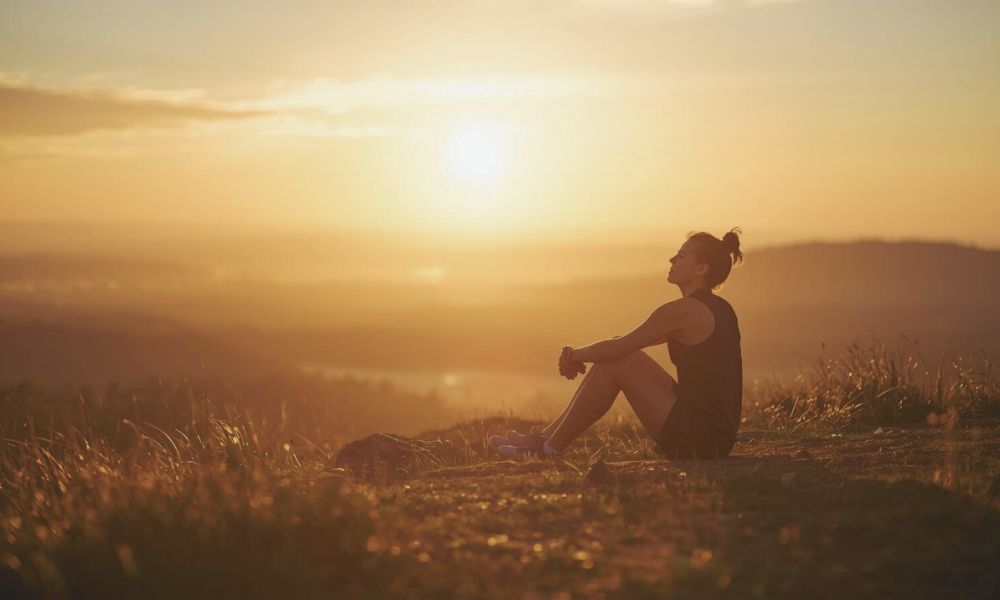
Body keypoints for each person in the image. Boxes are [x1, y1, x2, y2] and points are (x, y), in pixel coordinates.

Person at [492, 228, 744, 460]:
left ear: (701, 269)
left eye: (681, 255)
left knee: (618, 359)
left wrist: (574, 355)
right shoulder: (717, 309)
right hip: (712, 435)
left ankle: (546, 449)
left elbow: (616, 350)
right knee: (619, 356)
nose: (671, 260)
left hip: (701, 439)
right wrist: (580, 355)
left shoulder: (683, 311)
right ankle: (544, 439)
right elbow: (619, 346)